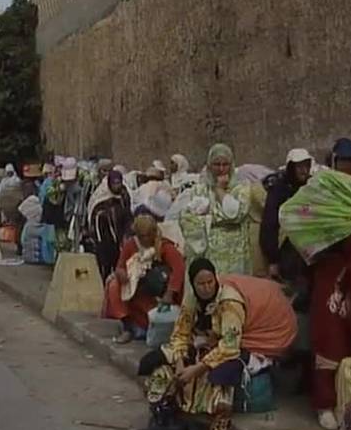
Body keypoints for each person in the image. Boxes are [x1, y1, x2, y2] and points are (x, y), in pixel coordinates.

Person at [134, 258, 297, 430]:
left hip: (232, 347)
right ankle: (163, 421)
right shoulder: (191, 299)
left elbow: (230, 345)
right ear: (193, 284)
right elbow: (181, 333)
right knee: (157, 366)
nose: (206, 287)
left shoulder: (229, 302)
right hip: (204, 343)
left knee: (221, 378)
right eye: (201, 284)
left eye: (210, 282)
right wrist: (181, 360)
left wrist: (197, 368)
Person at [279, 167, 351, 430]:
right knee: (340, 343)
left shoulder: (332, 216)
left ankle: (326, 405)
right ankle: (340, 406)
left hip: (326, 283)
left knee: (326, 342)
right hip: (345, 290)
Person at [103, 214, 185, 344]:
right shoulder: (131, 245)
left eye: (148, 235)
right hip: (137, 292)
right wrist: (122, 274)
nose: (145, 239)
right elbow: (120, 266)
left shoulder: (164, 247)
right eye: (142, 236)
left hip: (158, 293)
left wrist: (170, 293)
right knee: (113, 285)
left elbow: (179, 268)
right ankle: (128, 327)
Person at [179, 143, 252, 275]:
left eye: (225, 164)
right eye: (216, 164)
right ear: (209, 166)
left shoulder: (241, 189)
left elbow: (236, 215)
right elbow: (187, 218)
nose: (221, 169)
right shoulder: (199, 190)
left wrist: (219, 190)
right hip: (207, 254)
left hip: (234, 255)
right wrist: (218, 217)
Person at [261, 149, 313, 286]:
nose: (304, 171)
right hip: (289, 252)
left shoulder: (312, 188)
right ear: (291, 168)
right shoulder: (279, 190)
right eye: (300, 167)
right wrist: (273, 260)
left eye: (307, 166)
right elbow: (269, 225)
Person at [88, 168, 133, 280]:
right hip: (104, 237)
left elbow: (127, 212)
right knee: (105, 266)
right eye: (114, 183)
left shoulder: (124, 194)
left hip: (120, 233)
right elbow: (94, 213)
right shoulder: (101, 196)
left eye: (119, 183)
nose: (117, 186)